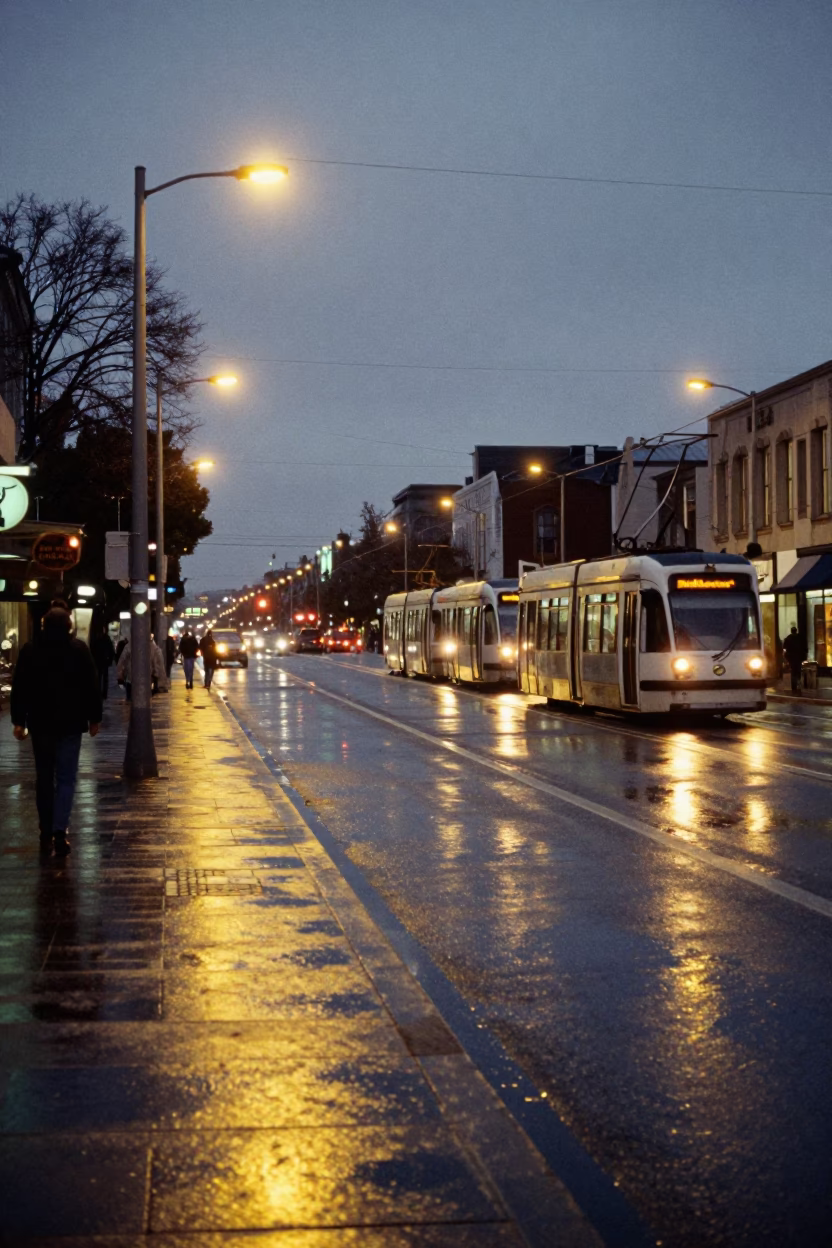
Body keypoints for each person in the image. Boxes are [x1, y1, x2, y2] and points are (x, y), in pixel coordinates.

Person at [10, 607, 102, 856]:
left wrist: (19, 721)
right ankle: (60, 830)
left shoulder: (31, 650)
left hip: (41, 725)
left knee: (44, 777)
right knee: (66, 779)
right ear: (68, 626)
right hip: (71, 724)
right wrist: (95, 718)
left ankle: (45, 829)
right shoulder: (79, 650)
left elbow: (20, 687)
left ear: (43, 625)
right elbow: (91, 685)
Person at [89, 623, 116, 700]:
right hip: (103, 660)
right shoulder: (105, 638)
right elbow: (111, 650)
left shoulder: (96, 638)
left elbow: (93, 649)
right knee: (103, 678)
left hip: (99, 660)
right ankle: (104, 694)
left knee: (99, 677)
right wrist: (110, 659)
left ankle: (101, 693)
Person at [783, 624, 806, 693]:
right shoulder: (800, 638)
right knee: (798, 670)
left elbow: (785, 648)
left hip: (791, 657)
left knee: (793, 671)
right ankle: (798, 683)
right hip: (798, 657)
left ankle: (794, 685)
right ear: (796, 631)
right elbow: (804, 647)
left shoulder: (788, 638)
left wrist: (787, 657)